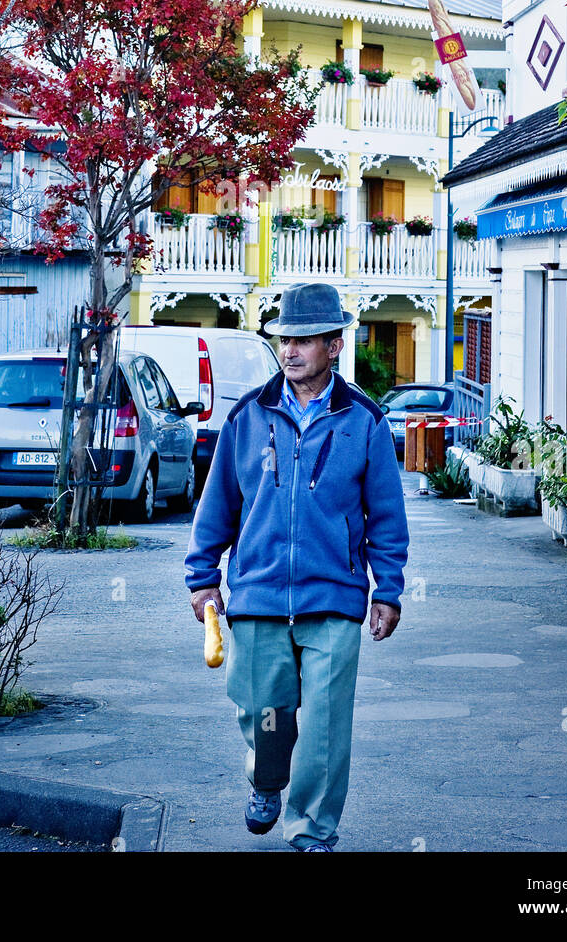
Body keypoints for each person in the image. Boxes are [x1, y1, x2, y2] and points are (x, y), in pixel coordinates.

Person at [185, 281, 409, 852]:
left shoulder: (364, 420)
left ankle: (312, 828)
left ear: (334, 345)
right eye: (285, 338)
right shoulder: (247, 416)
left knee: (326, 728)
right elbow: (219, 505)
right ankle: (266, 781)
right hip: (257, 596)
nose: (290, 350)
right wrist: (203, 577)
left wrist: (388, 590)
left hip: (334, 597)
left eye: (305, 340)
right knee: (265, 714)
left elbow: (385, 515)